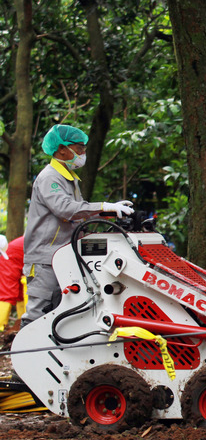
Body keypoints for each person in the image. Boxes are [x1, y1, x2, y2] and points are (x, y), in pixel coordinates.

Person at [22, 124, 134, 325]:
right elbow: (66, 209)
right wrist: (102, 205)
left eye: (84, 148)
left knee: (60, 311)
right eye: (79, 147)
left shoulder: (69, 178)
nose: (83, 152)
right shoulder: (50, 177)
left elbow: (78, 214)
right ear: (61, 149)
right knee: (38, 313)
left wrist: (108, 211)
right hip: (45, 258)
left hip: (63, 255)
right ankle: (23, 354)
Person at [0, 235, 25, 329]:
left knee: (20, 292)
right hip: (11, 260)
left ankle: (22, 324)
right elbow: (6, 294)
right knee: (7, 293)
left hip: (16, 258)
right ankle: (0, 327)